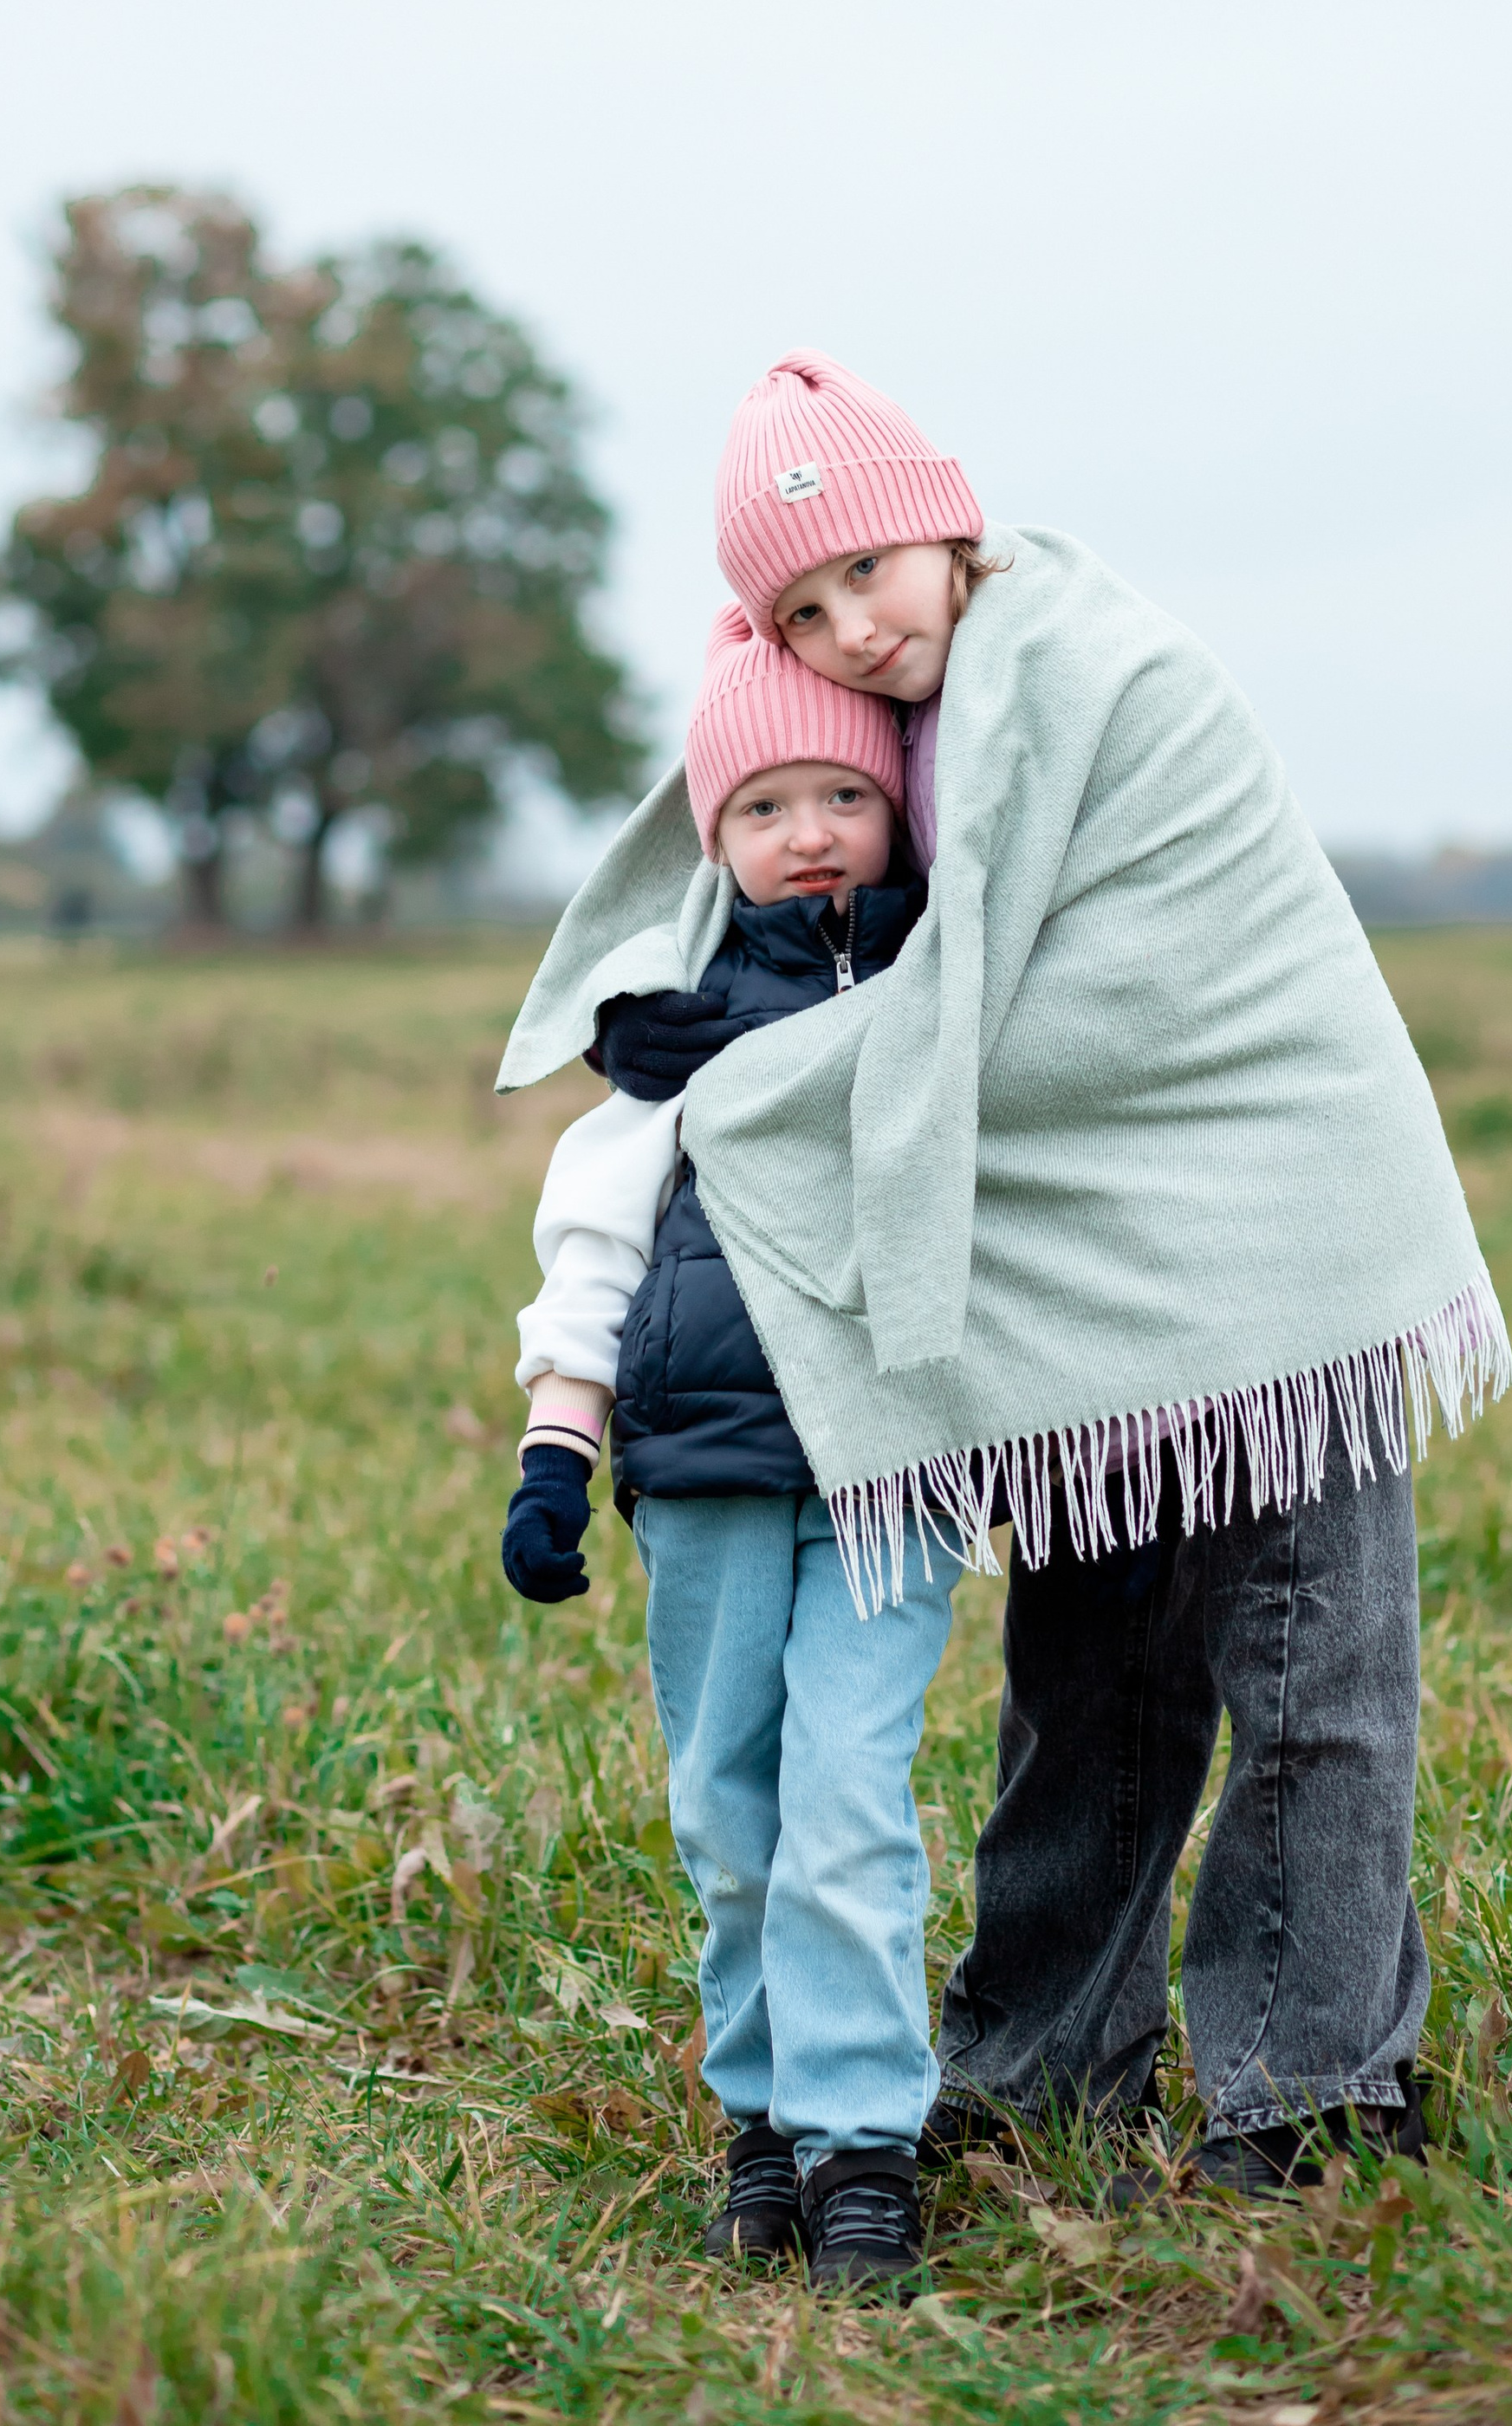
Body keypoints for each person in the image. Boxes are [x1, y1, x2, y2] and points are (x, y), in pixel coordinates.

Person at [499, 353, 1512, 2208]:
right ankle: (1041, 2063)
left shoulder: (1088, 671)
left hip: (1283, 1228)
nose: (851, 626)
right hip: (1083, 1272)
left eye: (864, 572)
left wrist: (751, 1078)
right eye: (802, 610)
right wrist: (684, 996)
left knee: (1308, 1666)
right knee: (1092, 1660)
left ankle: (1307, 2093)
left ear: (940, 521)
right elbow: (774, 832)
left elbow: (1059, 994)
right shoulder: (927, 705)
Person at [500, 606, 951, 2295]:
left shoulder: (948, 1000)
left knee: (849, 1802)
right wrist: (556, 1451)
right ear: (714, 836)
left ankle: (862, 2150)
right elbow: (594, 1252)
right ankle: (760, 2122)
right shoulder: (667, 1041)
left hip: (892, 1474)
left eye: (843, 796)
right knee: (729, 1811)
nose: (807, 831)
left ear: (900, 808)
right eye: (762, 806)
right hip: (702, 1474)